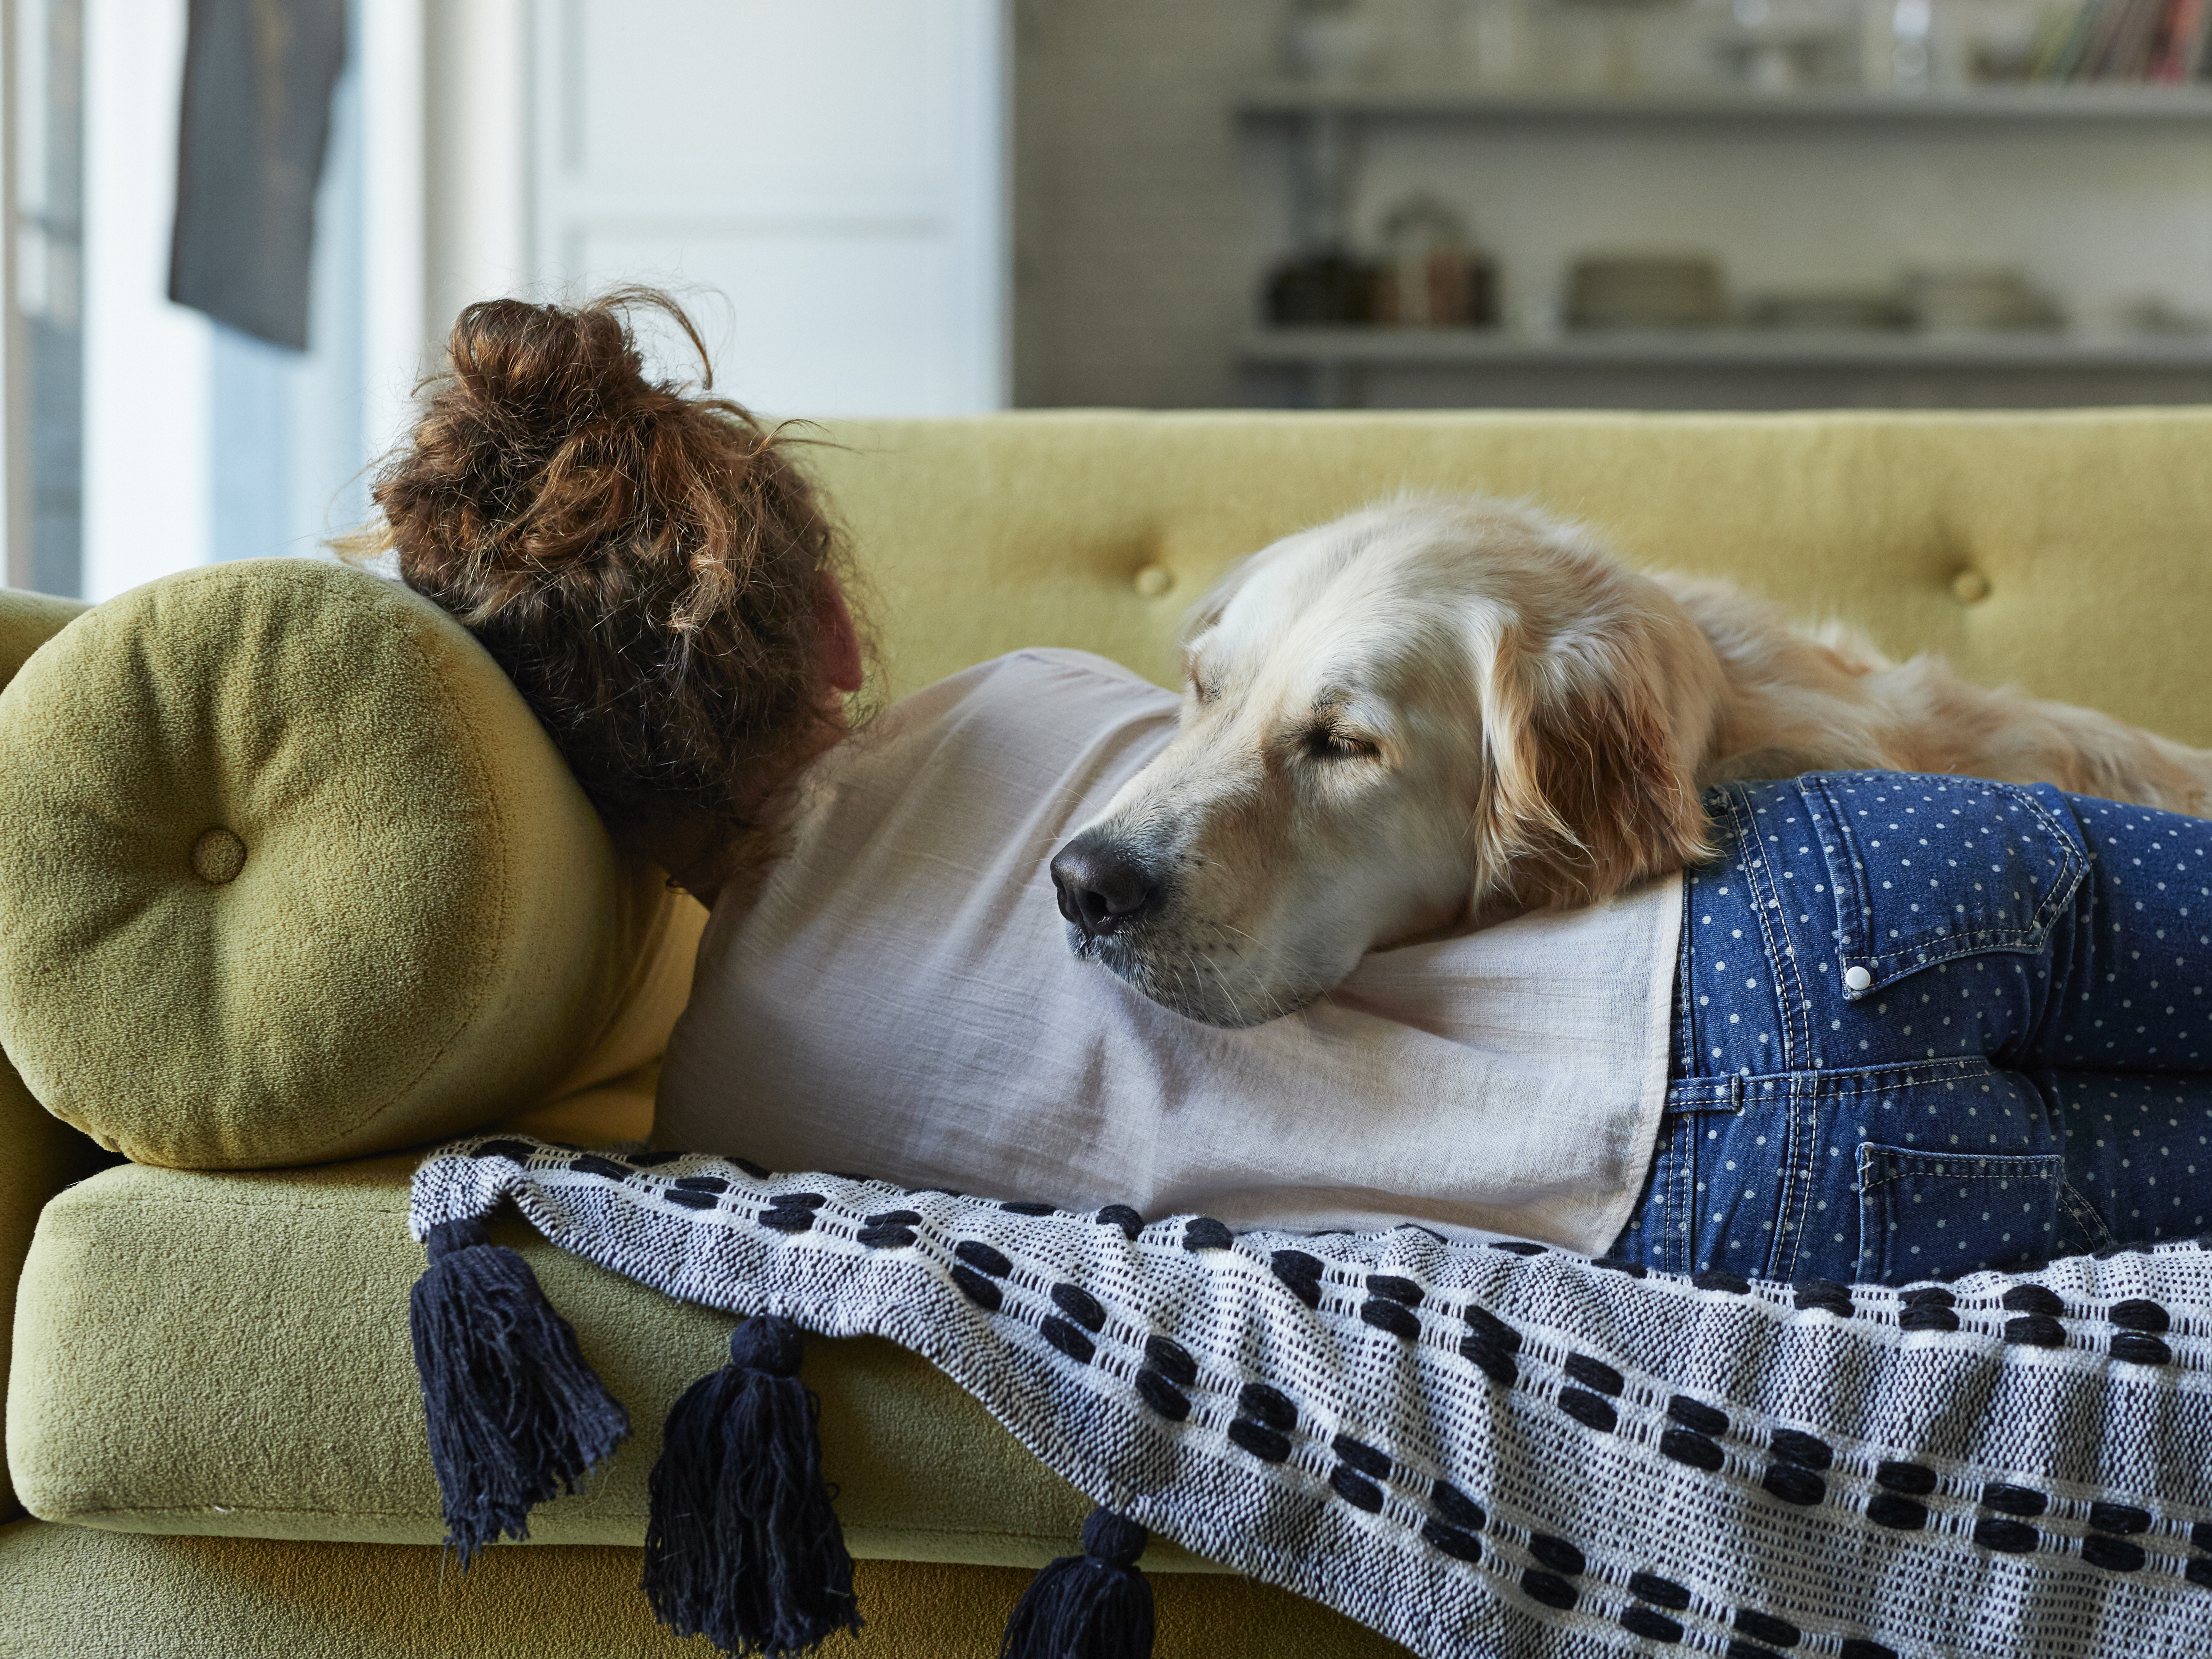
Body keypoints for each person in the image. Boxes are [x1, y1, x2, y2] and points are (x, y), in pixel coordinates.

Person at [368, 290, 2212, 1290]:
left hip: (1742, 1196)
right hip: (1854, 885)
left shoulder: (730, 1107)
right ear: (837, 623)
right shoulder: (1013, 708)